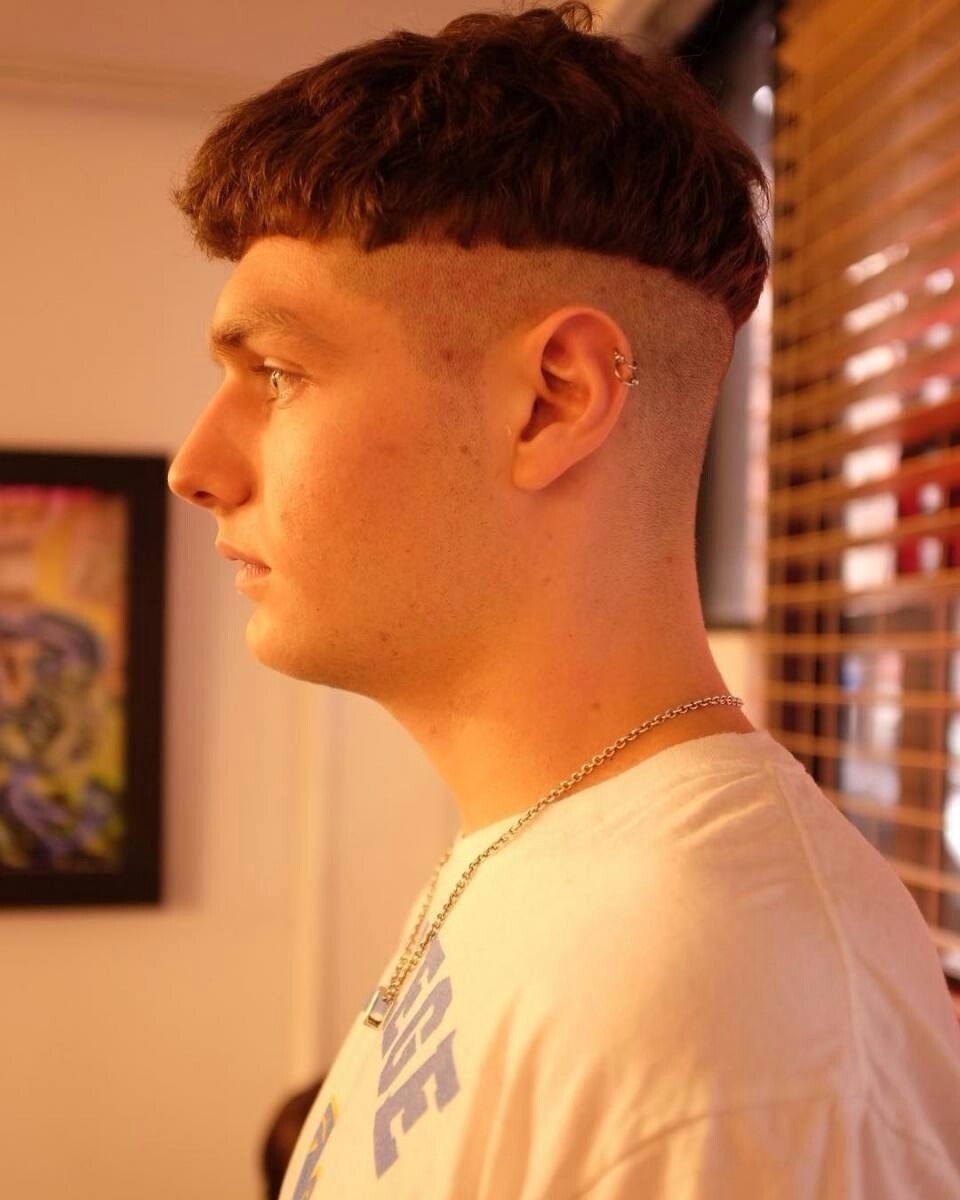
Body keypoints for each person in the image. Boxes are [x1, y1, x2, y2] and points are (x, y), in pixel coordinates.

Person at [166, 3, 960, 1196]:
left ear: (553, 400)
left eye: (276, 373)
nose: (194, 468)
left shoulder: (720, 1022)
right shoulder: (552, 852)